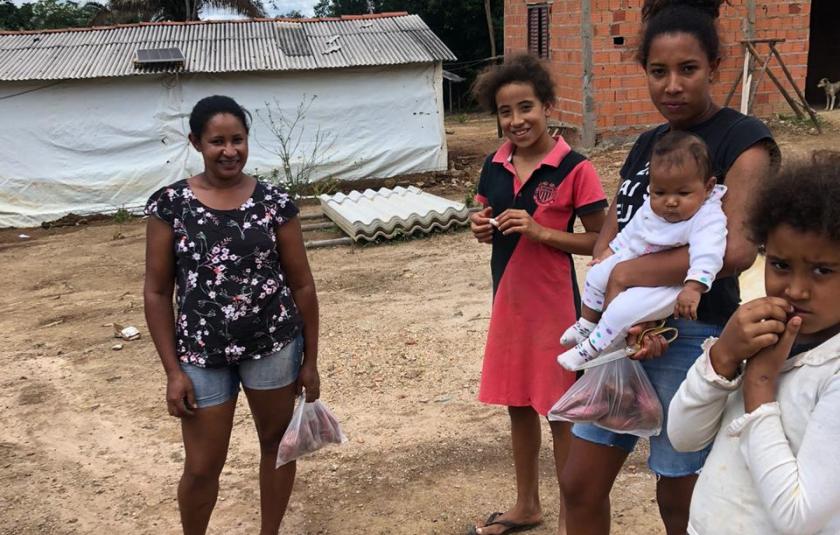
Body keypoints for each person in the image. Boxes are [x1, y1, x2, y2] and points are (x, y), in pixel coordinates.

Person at [559, 1, 780, 534]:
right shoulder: (646, 145)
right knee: (579, 483)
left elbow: (735, 252)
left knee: (681, 497)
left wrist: (628, 278)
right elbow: (610, 241)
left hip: (695, 333)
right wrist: (618, 304)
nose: (672, 85)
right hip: (624, 333)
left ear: (714, 66)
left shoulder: (743, 140)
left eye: (688, 70)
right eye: (659, 71)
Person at [143, 95, 320, 535]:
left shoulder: (274, 202)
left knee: (277, 446)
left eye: (237, 139)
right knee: (202, 466)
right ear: (196, 143)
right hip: (201, 355)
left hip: (273, 347)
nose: (229, 150)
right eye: (217, 141)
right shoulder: (172, 205)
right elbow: (157, 290)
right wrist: (172, 371)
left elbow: (302, 285)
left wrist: (311, 361)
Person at [468, 53, 608, 535]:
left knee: (560, 410)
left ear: (547, 106)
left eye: (525, 107)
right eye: (505, 112)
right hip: (508, 301)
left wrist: (543, 233)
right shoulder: (494, 163)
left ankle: (573, 516)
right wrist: (480, 226)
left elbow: (603, 243)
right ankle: (526, 505)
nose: (516, 120)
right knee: (519, 403)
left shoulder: (574, 168)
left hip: (556, 308)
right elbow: (483, 209)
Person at [667, 159, 840, 534]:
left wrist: (759, 386)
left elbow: (800, 518)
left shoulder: (833, 370)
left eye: (822, 270)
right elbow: (683, 437)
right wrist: (723, 357)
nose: (795, 290)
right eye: (779, 265)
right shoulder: (761, 334)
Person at [558, 131, 727, 370]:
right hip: (637, 258)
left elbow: (709, 252)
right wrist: (611, 251)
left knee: (622, 309)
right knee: (596, 275)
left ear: (708, 186)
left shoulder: (707, 217)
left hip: (668, 283)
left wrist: (694, 286)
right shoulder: (651, 205)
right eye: (660, 193)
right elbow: (634, 231)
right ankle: (587, 324)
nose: (670, 201)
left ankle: (591, 350)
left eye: (683, 193)